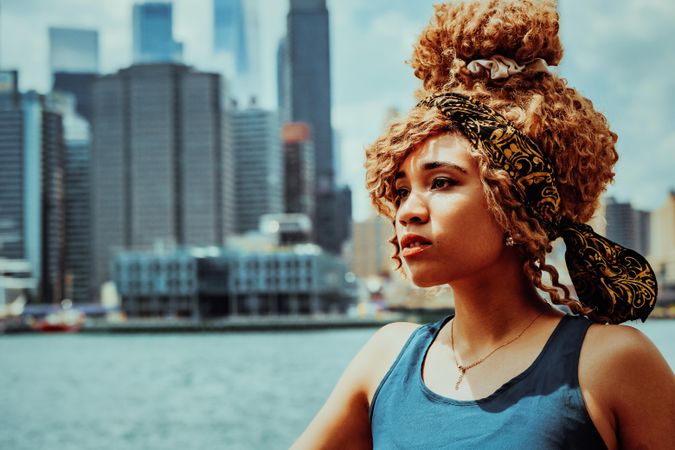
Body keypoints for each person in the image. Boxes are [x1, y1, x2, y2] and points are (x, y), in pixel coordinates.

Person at [290, 0, 674, 448]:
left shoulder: (611, 364)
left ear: (515, 201)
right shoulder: (385, 359)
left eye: (442, 182)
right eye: (399, 191)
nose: (408, 211)